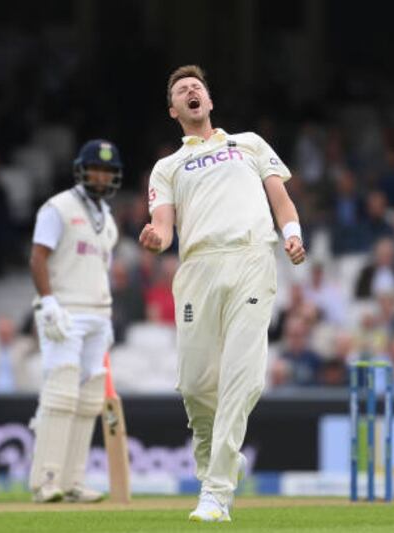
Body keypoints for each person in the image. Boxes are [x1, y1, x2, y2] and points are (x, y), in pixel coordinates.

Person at [139, 65, 305, 522]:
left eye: (198, 87)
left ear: (209, 102)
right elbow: (165, 226)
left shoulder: (247, 143)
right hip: (197, 269)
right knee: (194, 385)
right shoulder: (167, 167)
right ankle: (222, 460)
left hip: (251, 258)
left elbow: (281, 199)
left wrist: (291, 233)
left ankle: (216, 492)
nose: (192, 92)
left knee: (243, 378)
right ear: (174, 111)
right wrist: (155, 236)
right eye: (181, 91)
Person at [28, 139, 122, 503]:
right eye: (95, 169)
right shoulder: (58, 208)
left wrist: (106, 313)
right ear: (82, 171)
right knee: (61, 392)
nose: (101, 175)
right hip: (63, 311)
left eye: (107, 171)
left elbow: (101, 271)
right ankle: (46, 479)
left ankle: (73, 481)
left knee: (89, 399)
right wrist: (48, 302)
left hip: (98, 315)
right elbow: (37, 257)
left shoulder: (108, 220)